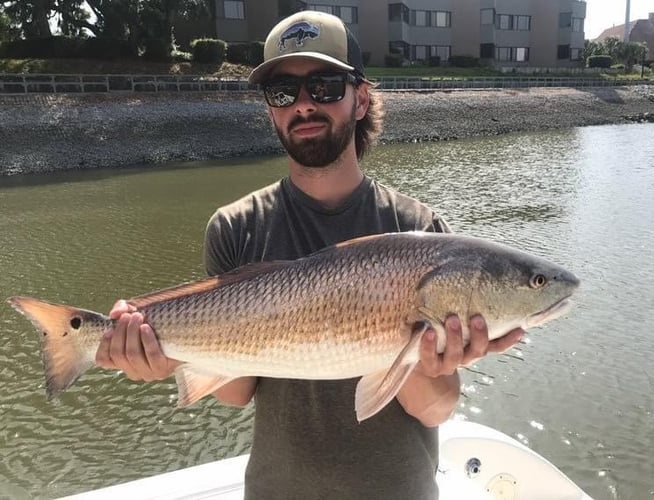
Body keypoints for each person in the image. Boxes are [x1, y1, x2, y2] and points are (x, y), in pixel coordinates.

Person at [95, 10, 524, 500]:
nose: (303, 105)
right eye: (283, 92)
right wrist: (164, 355)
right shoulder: (235, 226)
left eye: (323, 87)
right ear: (270, 110)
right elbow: (238, 393)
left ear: (360, 99)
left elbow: (435, 410)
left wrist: (430, 363)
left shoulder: (419, 231)